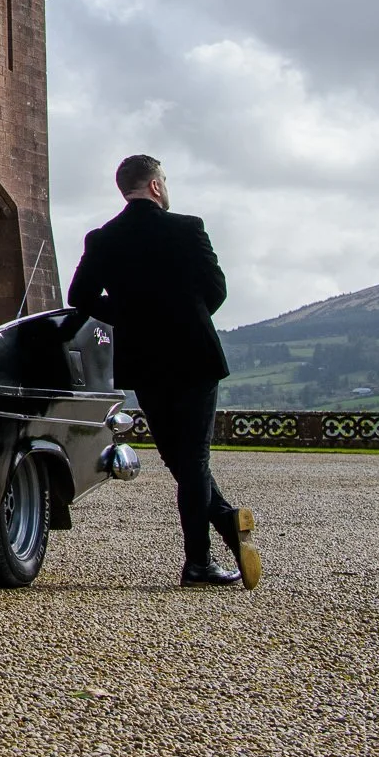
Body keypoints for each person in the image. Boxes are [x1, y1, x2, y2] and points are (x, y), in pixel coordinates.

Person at [67, 154, 261, 589]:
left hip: (144, 361)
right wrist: (185, 317)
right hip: (193, 355)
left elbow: (80, 296)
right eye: (165, 180)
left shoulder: (103, 238)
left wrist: (132, 317)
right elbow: (216, 290)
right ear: (155, 186)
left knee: (180, 459)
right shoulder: (187, 228)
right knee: (191, 459)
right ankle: (199, 563)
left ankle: (228, 526)